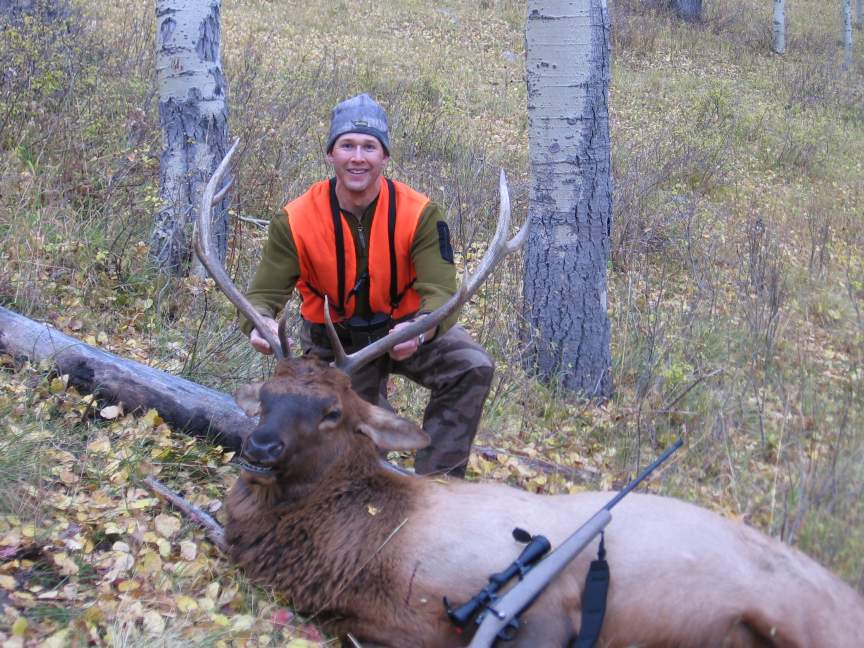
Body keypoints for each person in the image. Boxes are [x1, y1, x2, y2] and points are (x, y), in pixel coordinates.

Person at [240, 93, 493, 478]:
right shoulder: (295, 219)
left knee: (471, 366)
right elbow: (263, 294)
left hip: (404, 332)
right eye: (347, 145)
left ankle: (439, 485)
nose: (358, 157)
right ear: (331, 154)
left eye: (369, 147)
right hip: (335, 346)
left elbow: (441, 292)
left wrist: (420, 331)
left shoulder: (420, 214)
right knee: (358, 455)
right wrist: (260, 322)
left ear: (384, 157)